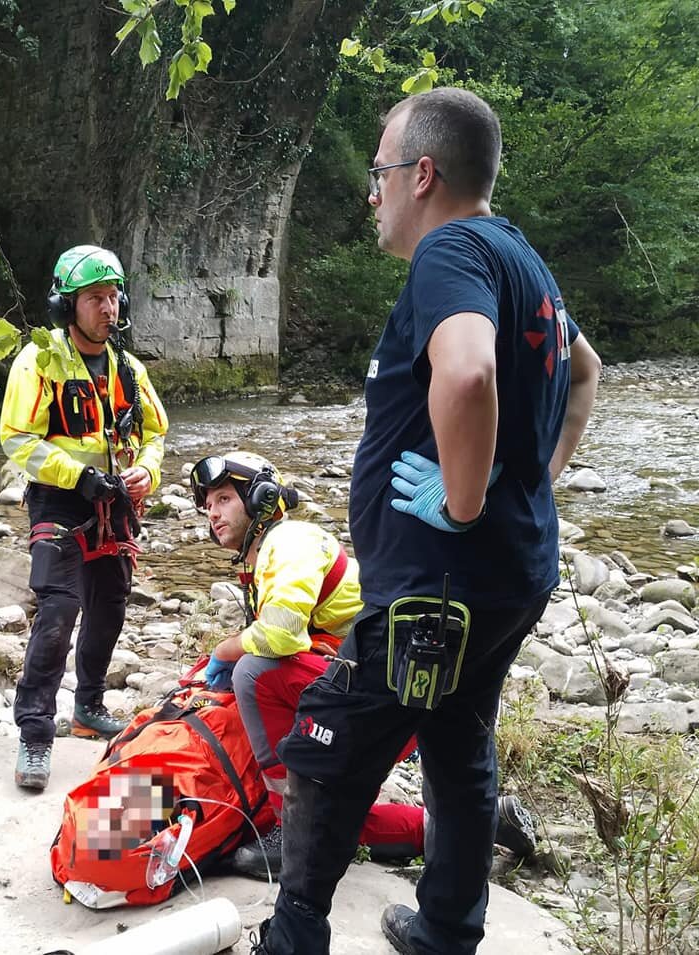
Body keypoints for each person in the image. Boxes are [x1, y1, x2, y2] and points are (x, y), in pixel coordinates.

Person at [251, 88, 602, 955]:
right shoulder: (522, 259)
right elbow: (586, 371)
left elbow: (471, 373)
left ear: (424, 174)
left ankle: (292, 936)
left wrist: (463, 500)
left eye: (379, 172)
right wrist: (534, 486)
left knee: (327, 746)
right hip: (507, 573)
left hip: (438, 592)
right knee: (455, 739)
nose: (372, 192)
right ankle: (446, 928)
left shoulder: (449, 252)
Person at [190, 451, 537, 880]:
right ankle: (484, 824)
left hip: (384, 698)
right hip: (383, 688)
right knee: (334, 815)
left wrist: (223, 652)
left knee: (252, 673)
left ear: (261, 498)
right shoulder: (270, 553)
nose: (213, 514)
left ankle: (288, 830)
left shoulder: (289, 542)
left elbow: (279, 635)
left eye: (223, 499)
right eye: (207, 506)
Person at [0, 244, 168, 791]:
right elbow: (16, 437)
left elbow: (154, 434)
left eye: (114, 296)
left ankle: (89, 705)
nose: (108, 307)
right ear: (67, 305)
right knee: (58, 609)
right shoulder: (39, 361)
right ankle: (33, 734)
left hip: (114, 502)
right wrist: (76, 475)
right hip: (59, 499)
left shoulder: (127, 367)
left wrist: (146, 470)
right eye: (96, 297)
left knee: (111, 604)